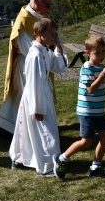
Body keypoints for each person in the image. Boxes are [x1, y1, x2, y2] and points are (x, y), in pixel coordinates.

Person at [53, 35, 105, 180]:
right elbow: (91, 89)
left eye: (103, 52)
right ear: (88, 53)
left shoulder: (101, 67)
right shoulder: (86, 68)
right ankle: (62, 158)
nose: (101, 56)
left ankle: (96, 165)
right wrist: (102, 75)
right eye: (97, 53)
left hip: (99, 111)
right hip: (87, 112)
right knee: (86, 141)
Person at [0, 0, 57, 136]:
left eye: (50, 4)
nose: (49, 8)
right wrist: (51, 55)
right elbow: (28, 49)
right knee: (27, 101)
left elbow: (54, 38)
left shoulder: (43, 17)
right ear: (36, 0)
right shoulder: (23, 21)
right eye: (47, 4)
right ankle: (24, 133)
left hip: (41, 64)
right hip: (27, 66)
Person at [9, 18, 67, 176]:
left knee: (31, 132)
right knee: (45, 132)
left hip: (43, 94)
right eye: (51, 33)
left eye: (55, 33)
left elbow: (59, 67)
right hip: (37, 97)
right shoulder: (35, 55)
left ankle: (21, 159)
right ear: (40, 33)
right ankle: (47, 166)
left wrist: (59, 46)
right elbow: (34, 82)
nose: (53, 36)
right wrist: (38, 108)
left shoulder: (45, 51)